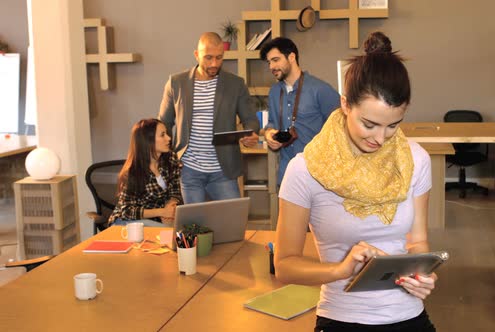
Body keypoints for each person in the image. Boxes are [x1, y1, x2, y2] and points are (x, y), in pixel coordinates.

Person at [274, 32, 437, 331]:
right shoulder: (305, 170)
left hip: (408, 316)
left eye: (393, 126)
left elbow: (417, 242)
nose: (380, 138)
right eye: (370, 124)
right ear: (345, 104)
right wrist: (340, 269)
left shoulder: (415, 159)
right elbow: (284, 265)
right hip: (342, 319)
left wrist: (422, 274)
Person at [159, 32, 260, 203]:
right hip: (188, 169)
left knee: (232, 222)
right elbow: (164, 123)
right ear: (196, 55)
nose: (214, 64)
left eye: (219, 58)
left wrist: (251, 133)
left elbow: (250, 118)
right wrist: (170, 159)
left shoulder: (236, 84)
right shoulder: (176, 83)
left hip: (223, 169)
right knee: (195, 226)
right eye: (208, 58)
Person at [260, 37, 340, 185]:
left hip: (317, 175)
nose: (271, 66)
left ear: (291, 57)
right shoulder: (274, 92)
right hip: (286, 174)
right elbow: (271, 123)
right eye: (269, 62)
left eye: (276, 60)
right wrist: (269, 133)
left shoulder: (320, 89)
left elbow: (341, 126)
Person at [109, 118, 183, 227]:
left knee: (185, 231)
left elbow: (176, 192)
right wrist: (162, 212)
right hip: (125, 223)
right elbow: (127, 211)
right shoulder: (132, 172)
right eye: (162, 135)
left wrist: (169, 208)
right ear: (148, 141)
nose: (169, 138)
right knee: (169, 233)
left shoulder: (171, 159)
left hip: (155, 220)